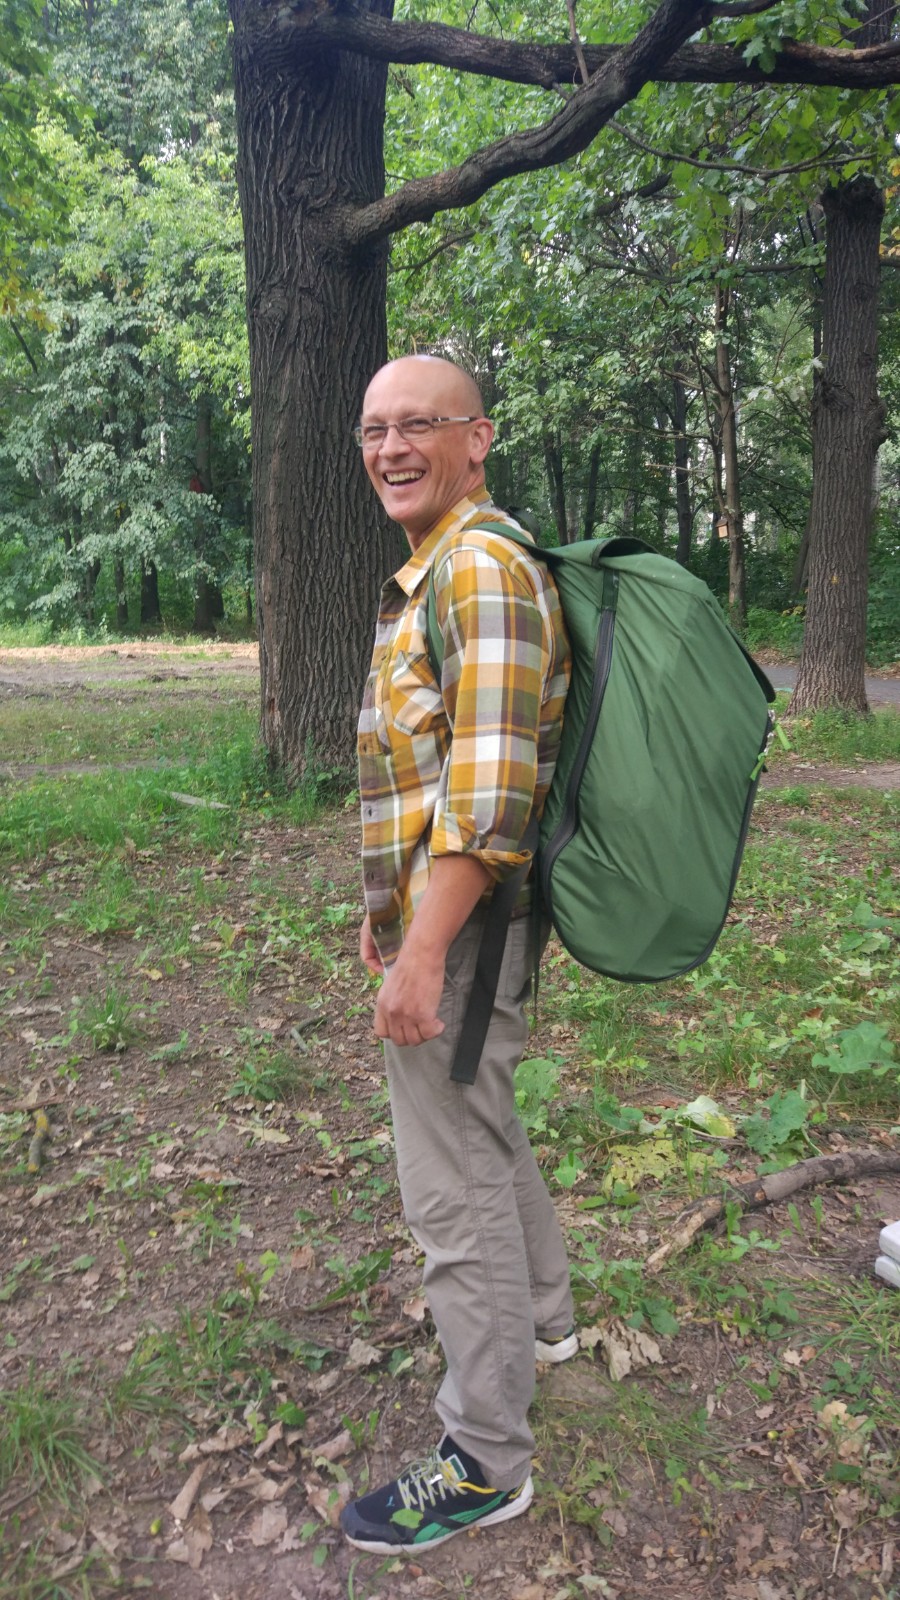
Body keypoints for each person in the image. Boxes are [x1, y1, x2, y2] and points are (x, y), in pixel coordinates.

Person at [341, 355, 575, 1555]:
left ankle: (486, 1456)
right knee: (480, 1125)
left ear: (476, 438)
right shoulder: (440, 566)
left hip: (470, 924)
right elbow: (431, 771)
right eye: (374, 429)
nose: (390, 447)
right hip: (450, 914)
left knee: (451, 1179)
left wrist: (425, 949)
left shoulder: (478, 567)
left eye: (417, 424)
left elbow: (489, 797)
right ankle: (544, 1319)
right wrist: (390, 908)